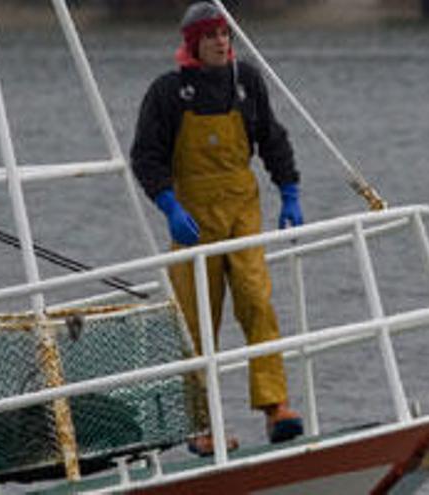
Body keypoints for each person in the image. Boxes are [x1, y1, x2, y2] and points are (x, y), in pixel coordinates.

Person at [130, 1, 304, 455]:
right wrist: (168, 205)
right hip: (193, 218)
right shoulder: (167, 92)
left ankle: (276, 407)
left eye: (226, 34)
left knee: (256, 301)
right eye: (211, 36)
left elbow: (271, 136)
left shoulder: (246, 81)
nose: (221, 42)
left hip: (243, 209)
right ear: (193, 43)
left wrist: (289, 190)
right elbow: (146, 156)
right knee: (195, 321)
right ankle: (202, 427)